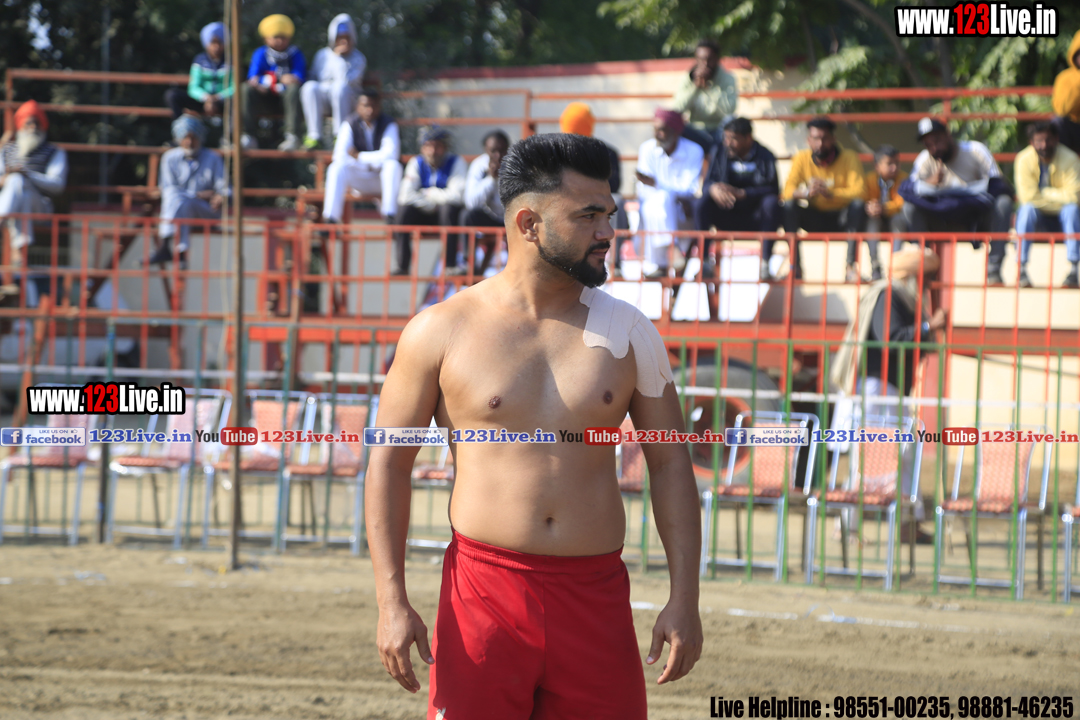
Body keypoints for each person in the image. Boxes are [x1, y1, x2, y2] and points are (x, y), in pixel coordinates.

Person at [367, 132, 703, 719]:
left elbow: (671, 462)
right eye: (588, 216)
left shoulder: (631, 333)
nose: (608, 231)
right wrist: (390, 599)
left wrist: (685, 597)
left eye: (609, 214)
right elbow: (390, 463)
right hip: (482, 597)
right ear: (528, 224)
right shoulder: (439, 330)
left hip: (595, 599)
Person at [830, 247, 946, 543]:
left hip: (891, 389)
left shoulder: (903, 298)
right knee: (871, 457)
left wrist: (926, 333)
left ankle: (908, 524)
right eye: (925, 277)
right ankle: (846, 526)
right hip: (877, 388)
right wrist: (928, 327)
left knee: (903, 455)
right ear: (912, 276)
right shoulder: (888, 295)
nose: (927, 284)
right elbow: (891, 339)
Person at [900, 117, 1013, 285]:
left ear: (947, 135)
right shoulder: (925, 159)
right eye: (928, 144)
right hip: (941, 220)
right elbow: (907, 189)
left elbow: (1000, 185)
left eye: (937, 141)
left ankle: (994, 269)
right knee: (909, 207)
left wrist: (966, 194)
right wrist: (929, 183)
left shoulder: (975, 150)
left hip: (975, 219)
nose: (934, 148)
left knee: (1004, 202)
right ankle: (923, 269)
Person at [693, 116, 779, 280]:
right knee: (701, 203)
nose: (728, 143)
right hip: (725, 213)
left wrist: (744, 193)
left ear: (748, 138)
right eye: (726, 138)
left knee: (772, 203)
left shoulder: (765, 156)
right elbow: (707, 183)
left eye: (733, 139)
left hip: (755, 216)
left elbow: (773, 189)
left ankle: (765, 264)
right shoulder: (719, 152)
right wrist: (713, 188)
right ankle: (704, 262)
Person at [781, 117, 865, 281]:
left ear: (833, 139)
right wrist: (806, 193)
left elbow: (860, 191)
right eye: (815, 139)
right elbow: (787, 191)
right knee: (789, 206)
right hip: (815, 217)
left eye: (824, 139)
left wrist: (831, 193)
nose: (820, 144)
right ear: (808, 140)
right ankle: (795, 267)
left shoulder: (849, 157)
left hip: (842, 218)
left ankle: (850, 268)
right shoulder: (801, 158)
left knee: (858, 205)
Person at [635, 108, 705, 279]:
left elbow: (689, 189)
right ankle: (671, 248)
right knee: (656, 202)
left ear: (675, 131)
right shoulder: (647, 149)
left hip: (681, 213)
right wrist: (662, 191)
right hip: (651, 212)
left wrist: (657, 185)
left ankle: (661, 262)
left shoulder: (694, 151)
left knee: (662, 198)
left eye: (662, 130)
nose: (657, 134)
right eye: (655, 129)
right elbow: (643, 190)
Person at [149, 116, 228, 266]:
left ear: (200, 138)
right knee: (178, 199)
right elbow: (167, 189)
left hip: (205, 213)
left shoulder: (213, 158)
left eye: (193, 138)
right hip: (180, 210)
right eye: (186, 137)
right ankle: (181, 253)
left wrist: (221, 196)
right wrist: (197, 195)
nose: (190, 142)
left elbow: (225, 188)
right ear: (179, 139)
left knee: (180, 200)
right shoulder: (169, 158)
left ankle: (165, 246)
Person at [558, 102, 627, 267]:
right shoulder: (558, 153)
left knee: (617, 202)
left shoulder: (606, 153)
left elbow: (614, 185)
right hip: (569, 200)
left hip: (597, 200)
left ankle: (613, 263)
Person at [1014, 121, 1080, 289]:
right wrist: (1058, 196)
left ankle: (1073, 269)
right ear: (1031, 142)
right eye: (1039, 141)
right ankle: (1021, 269)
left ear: (1056, 139)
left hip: (1063, 218)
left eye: (1048, 140)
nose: (1044, 145)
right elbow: (1027, 198)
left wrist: (1044, 193)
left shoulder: (1070, 159)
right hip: (1038, 218)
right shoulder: (1023, 159)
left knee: (1072, 210)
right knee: (1026, 210)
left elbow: (1074, 197)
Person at [322, 89, 402, 225]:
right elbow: (339, 155)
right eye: (365, 106)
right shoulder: (349, 123)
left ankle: (390, 216)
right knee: (336, 168)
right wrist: (370, 161)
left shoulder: (389, 123)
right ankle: (330, 219)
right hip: (357, 179)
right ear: (357, 107)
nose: (369, 110)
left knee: (393, 166)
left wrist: (359, 157)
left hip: (379, 179)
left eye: (373, 106)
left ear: (379, 107)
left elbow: (391, 155)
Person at [394, 126, 467, 275]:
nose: (433, 151)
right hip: (423, 212)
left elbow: (457, 196)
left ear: (445, 147)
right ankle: (403, 265)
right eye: (428, 146)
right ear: (422, 148)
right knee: (403, 210)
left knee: (449, 209)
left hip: (445, 216)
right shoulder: (416, 163)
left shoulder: (456, 162)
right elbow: (405, 195)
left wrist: (429, 193)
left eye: (437, 146)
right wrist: (430, 204)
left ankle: (450, 265)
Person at [0, 100, 67, 256]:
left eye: (37, 123)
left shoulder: (54, 151)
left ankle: (2, 219)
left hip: (40, 207)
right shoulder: (7, 150)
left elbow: (57, 185)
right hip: (17, 201)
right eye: (29, 123)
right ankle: (20, 251)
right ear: (20, 125)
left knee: (19, 182)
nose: (33, 127)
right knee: (20, 190)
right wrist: (9, 176)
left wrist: (28, 175)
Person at [301, 14, 366, 150]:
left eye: (347, 38)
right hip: (324, 100)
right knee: (309, 87)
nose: (343, 41)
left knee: (339, 87)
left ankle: (340, 136)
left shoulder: (359, 58)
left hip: (347, 99)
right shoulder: (322, 55)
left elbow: (347, 81)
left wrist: (339, 59)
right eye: (340, 38)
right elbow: (314, 77)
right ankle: (314, 136)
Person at [241, 14, 306, 151]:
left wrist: (285, 79)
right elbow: (253, 77)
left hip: (286, 101)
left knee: (293, 88)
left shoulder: (295, 53)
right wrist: (276, 79)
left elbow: (299, 76)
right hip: (263, 98)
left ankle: (292, 136)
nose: (280, 41)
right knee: (245, 89)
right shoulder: (260, 53)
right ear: (266, 38)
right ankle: (248, 135)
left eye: (283, 37)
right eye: (276, 37)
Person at [670, 39, 738, 153]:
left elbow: (729, 110)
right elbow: (677, 109)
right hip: (694, 130)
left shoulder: (728, 78)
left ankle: (724, 161)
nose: (705, 64)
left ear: (717, 59)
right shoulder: (688, 78)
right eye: (701, 59)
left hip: (719, 130)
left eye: (709, 59)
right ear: (696, 59)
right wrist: (694, 87)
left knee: (733, 123)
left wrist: (709, 88)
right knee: (672, 125)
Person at [461, 130, 510, 275]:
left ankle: (516, 267)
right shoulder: (478, 165)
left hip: (511, 218)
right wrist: (491, 179)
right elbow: (471, 202)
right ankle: (468, 262)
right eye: (493, 151)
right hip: (490, 217)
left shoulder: (516, 164)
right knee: (467, 215)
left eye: (502, 150)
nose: (498, 155)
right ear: (485, 150)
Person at [166, 22, 232, 124]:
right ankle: (181, 128)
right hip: (201, 101)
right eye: (213, 42)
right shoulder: (199, 60)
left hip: (224, 102)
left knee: (238, 102)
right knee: (172, 95)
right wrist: (206, 98)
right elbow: (193, 87)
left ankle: (235, 131)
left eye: (220, 42)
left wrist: (217, 98)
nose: (216, 47)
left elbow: (234, 87)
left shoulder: (231, 61)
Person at [861, 145, 909, 281]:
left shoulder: (904, 179)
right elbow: (863, 197)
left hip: (894, 217)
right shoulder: (869, 179)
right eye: (889, 164)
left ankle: (895, 267)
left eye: (897, 163)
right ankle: (875, 266)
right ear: (877, 166)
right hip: (876, 218)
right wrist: (871, 206)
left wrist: (884, 208)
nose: (894, 167)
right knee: (872, 223)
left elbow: (901, 202)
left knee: (898, 221)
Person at [1052, 30, 1080, 156]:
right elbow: (1062, 109)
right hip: (1073, 130)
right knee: (1058, 122)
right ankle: (1062, 164)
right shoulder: (1064, 78)